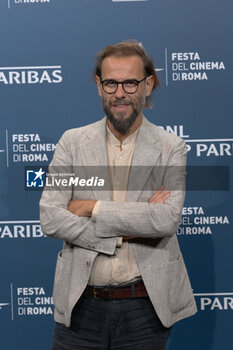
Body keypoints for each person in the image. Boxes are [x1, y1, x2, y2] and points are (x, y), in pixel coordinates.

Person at [40, 40, 197, 350]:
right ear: (99, 85)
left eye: (130, 82)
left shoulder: (171, 147)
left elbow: (164, 220)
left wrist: (90, 207)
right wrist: (125, 231)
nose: (120, 93)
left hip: (144, 308)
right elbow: (51, 217)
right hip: (80, 305)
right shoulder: (71, 143)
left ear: (148, 84)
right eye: (111, 82)